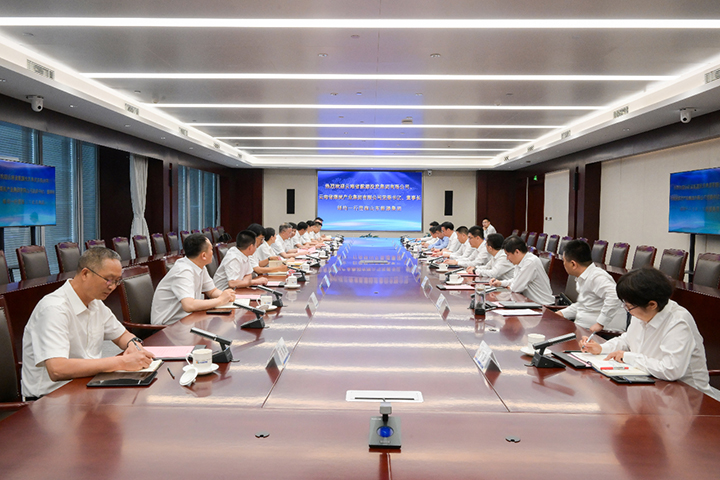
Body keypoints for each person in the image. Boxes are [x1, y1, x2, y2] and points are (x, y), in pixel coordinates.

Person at [21, 247, 155, 398]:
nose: (112, 287)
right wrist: (122, 362)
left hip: (86, 387)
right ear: (85, 274)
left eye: (117, 281)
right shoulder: (54, 309)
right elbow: (57, 369)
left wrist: (133, 345)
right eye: (108, 279)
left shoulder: (95, 302)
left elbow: (122, 335)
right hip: (50, 399)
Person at [581, 267, 719, 400]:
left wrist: (627, 357)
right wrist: (601, 348)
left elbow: (671, 369)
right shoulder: (642, 311)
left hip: (687, 397)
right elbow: (627, 340)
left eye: (629, 306)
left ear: (652, 304)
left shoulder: (678, 322)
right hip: (652, 387)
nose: (627, 310)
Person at [151, 233, 235, 325]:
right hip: (168, 326)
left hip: (187, 320)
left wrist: (227, 296)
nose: (212, 252)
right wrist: (220, 300)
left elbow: (212, 291)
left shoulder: (199, 266)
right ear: (203, 255)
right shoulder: (183, 271)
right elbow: (189, 305)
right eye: (211, 249)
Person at [557, 240, 626, 333]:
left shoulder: (597, 277)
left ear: (573, 264)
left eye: (564, 261)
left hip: (601, 333)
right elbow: (583, 305)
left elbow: (615, 296)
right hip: (582, 328)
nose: (564, 264)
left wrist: (600, 323)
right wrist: (562, 313)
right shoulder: (583, 277)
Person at [489, 235, 554, 305]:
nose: (507, 258)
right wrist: (501, 283)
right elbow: (516, 280)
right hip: (531, 303)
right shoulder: (520, 262)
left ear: (517, 252)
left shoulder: (530, 262)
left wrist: (510, 286)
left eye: (508, 255)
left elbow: (516, 288)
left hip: (543, 306)